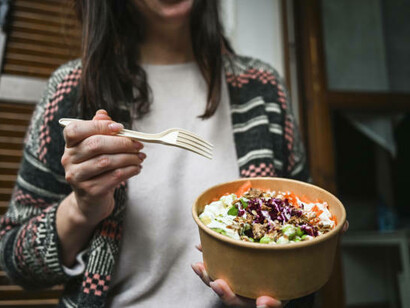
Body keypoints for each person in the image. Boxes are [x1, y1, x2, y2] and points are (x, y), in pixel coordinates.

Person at [0, 0, 314, 307]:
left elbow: (307, 252)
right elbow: (14, 262)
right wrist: (82, 209)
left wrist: (272, 289)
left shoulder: (262, 87)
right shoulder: (72, 89)